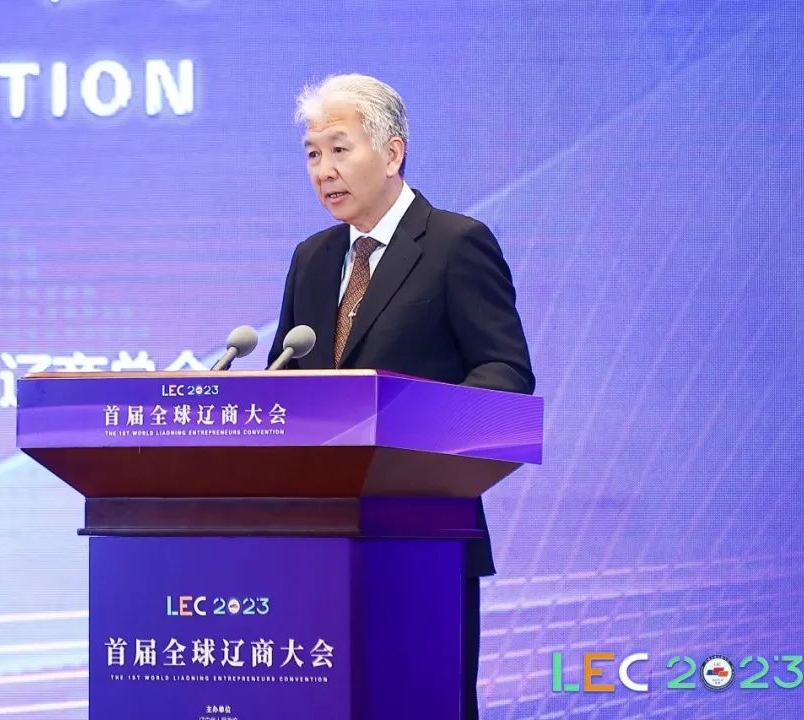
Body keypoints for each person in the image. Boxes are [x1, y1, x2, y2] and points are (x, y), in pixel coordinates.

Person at [268, 73, 535, 719]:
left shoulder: (454, 243)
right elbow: (287, 383)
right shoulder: (311, 258)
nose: (324, 170)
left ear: (391, 153)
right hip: (318, 542)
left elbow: (505, 370)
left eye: (339, 149)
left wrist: (409, 431)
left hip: (423, 535)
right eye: (313, 154)